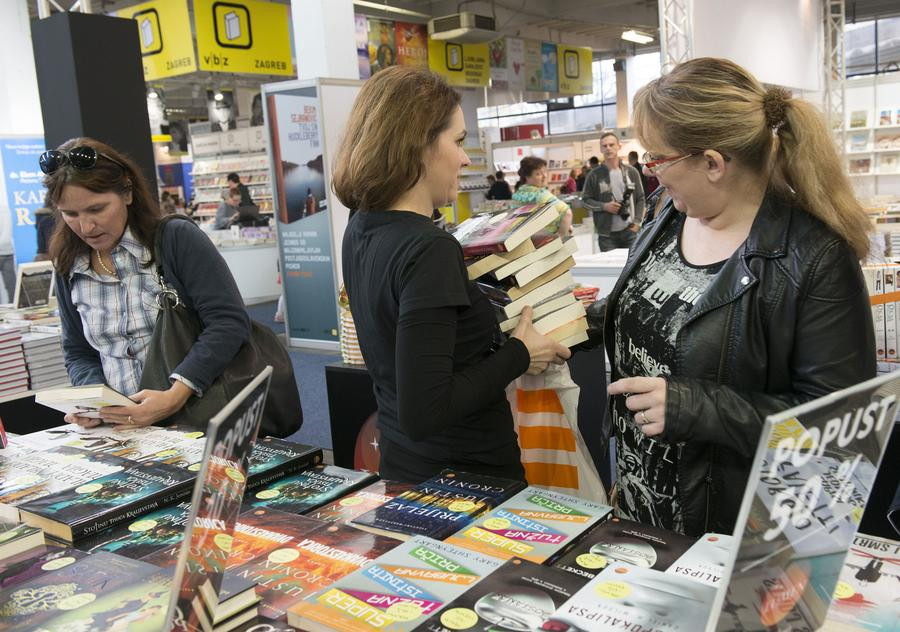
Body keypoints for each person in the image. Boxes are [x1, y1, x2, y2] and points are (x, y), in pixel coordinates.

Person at [592, 57, 875, 537]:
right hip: (641, 511)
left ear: (712, 163)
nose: (654, 175)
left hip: (732, 532)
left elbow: (840, 430)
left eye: (659, 159)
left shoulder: (814, 258)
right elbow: (659, 315)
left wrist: (694, 407)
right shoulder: (670, 215)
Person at [333, 66, 570, 483]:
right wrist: (520, 353)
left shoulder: (361, 225)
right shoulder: (428, 249)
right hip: (465, 478)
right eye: (458, 141)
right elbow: (427, 408)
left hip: (403, 463)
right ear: (417, 144)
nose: (464, 157)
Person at [42, 138, 251, 429]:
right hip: (121, 431)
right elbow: (78, 351)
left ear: (127, 192)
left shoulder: (175, 240)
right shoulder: (68, 264)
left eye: (97, 209)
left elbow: (228, 322)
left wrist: (176, 395)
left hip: (196, 417)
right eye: (71, 214)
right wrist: (94, 403)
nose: (86, 227)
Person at [583, 132, 645, 251]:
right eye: (604, 146)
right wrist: (604, 206)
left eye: (611, 145)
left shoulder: (631, 172)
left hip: (630, 231)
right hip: (607, 236)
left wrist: (637, 222)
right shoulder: (594, 175)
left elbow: (640, 198)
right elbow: (585, 201)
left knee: (632, 268)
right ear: (601, 149)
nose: (608, 148)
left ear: (619, 146)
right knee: (610, 269)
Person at [511, 156, 573, 237]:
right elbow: (567, 213)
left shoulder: (517, 195)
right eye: (538, 174)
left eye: (544, 172)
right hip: (544, 244)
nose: (545, 176)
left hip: (523, 243)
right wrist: (561, 235)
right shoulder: (540, 194)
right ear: (527, 176)